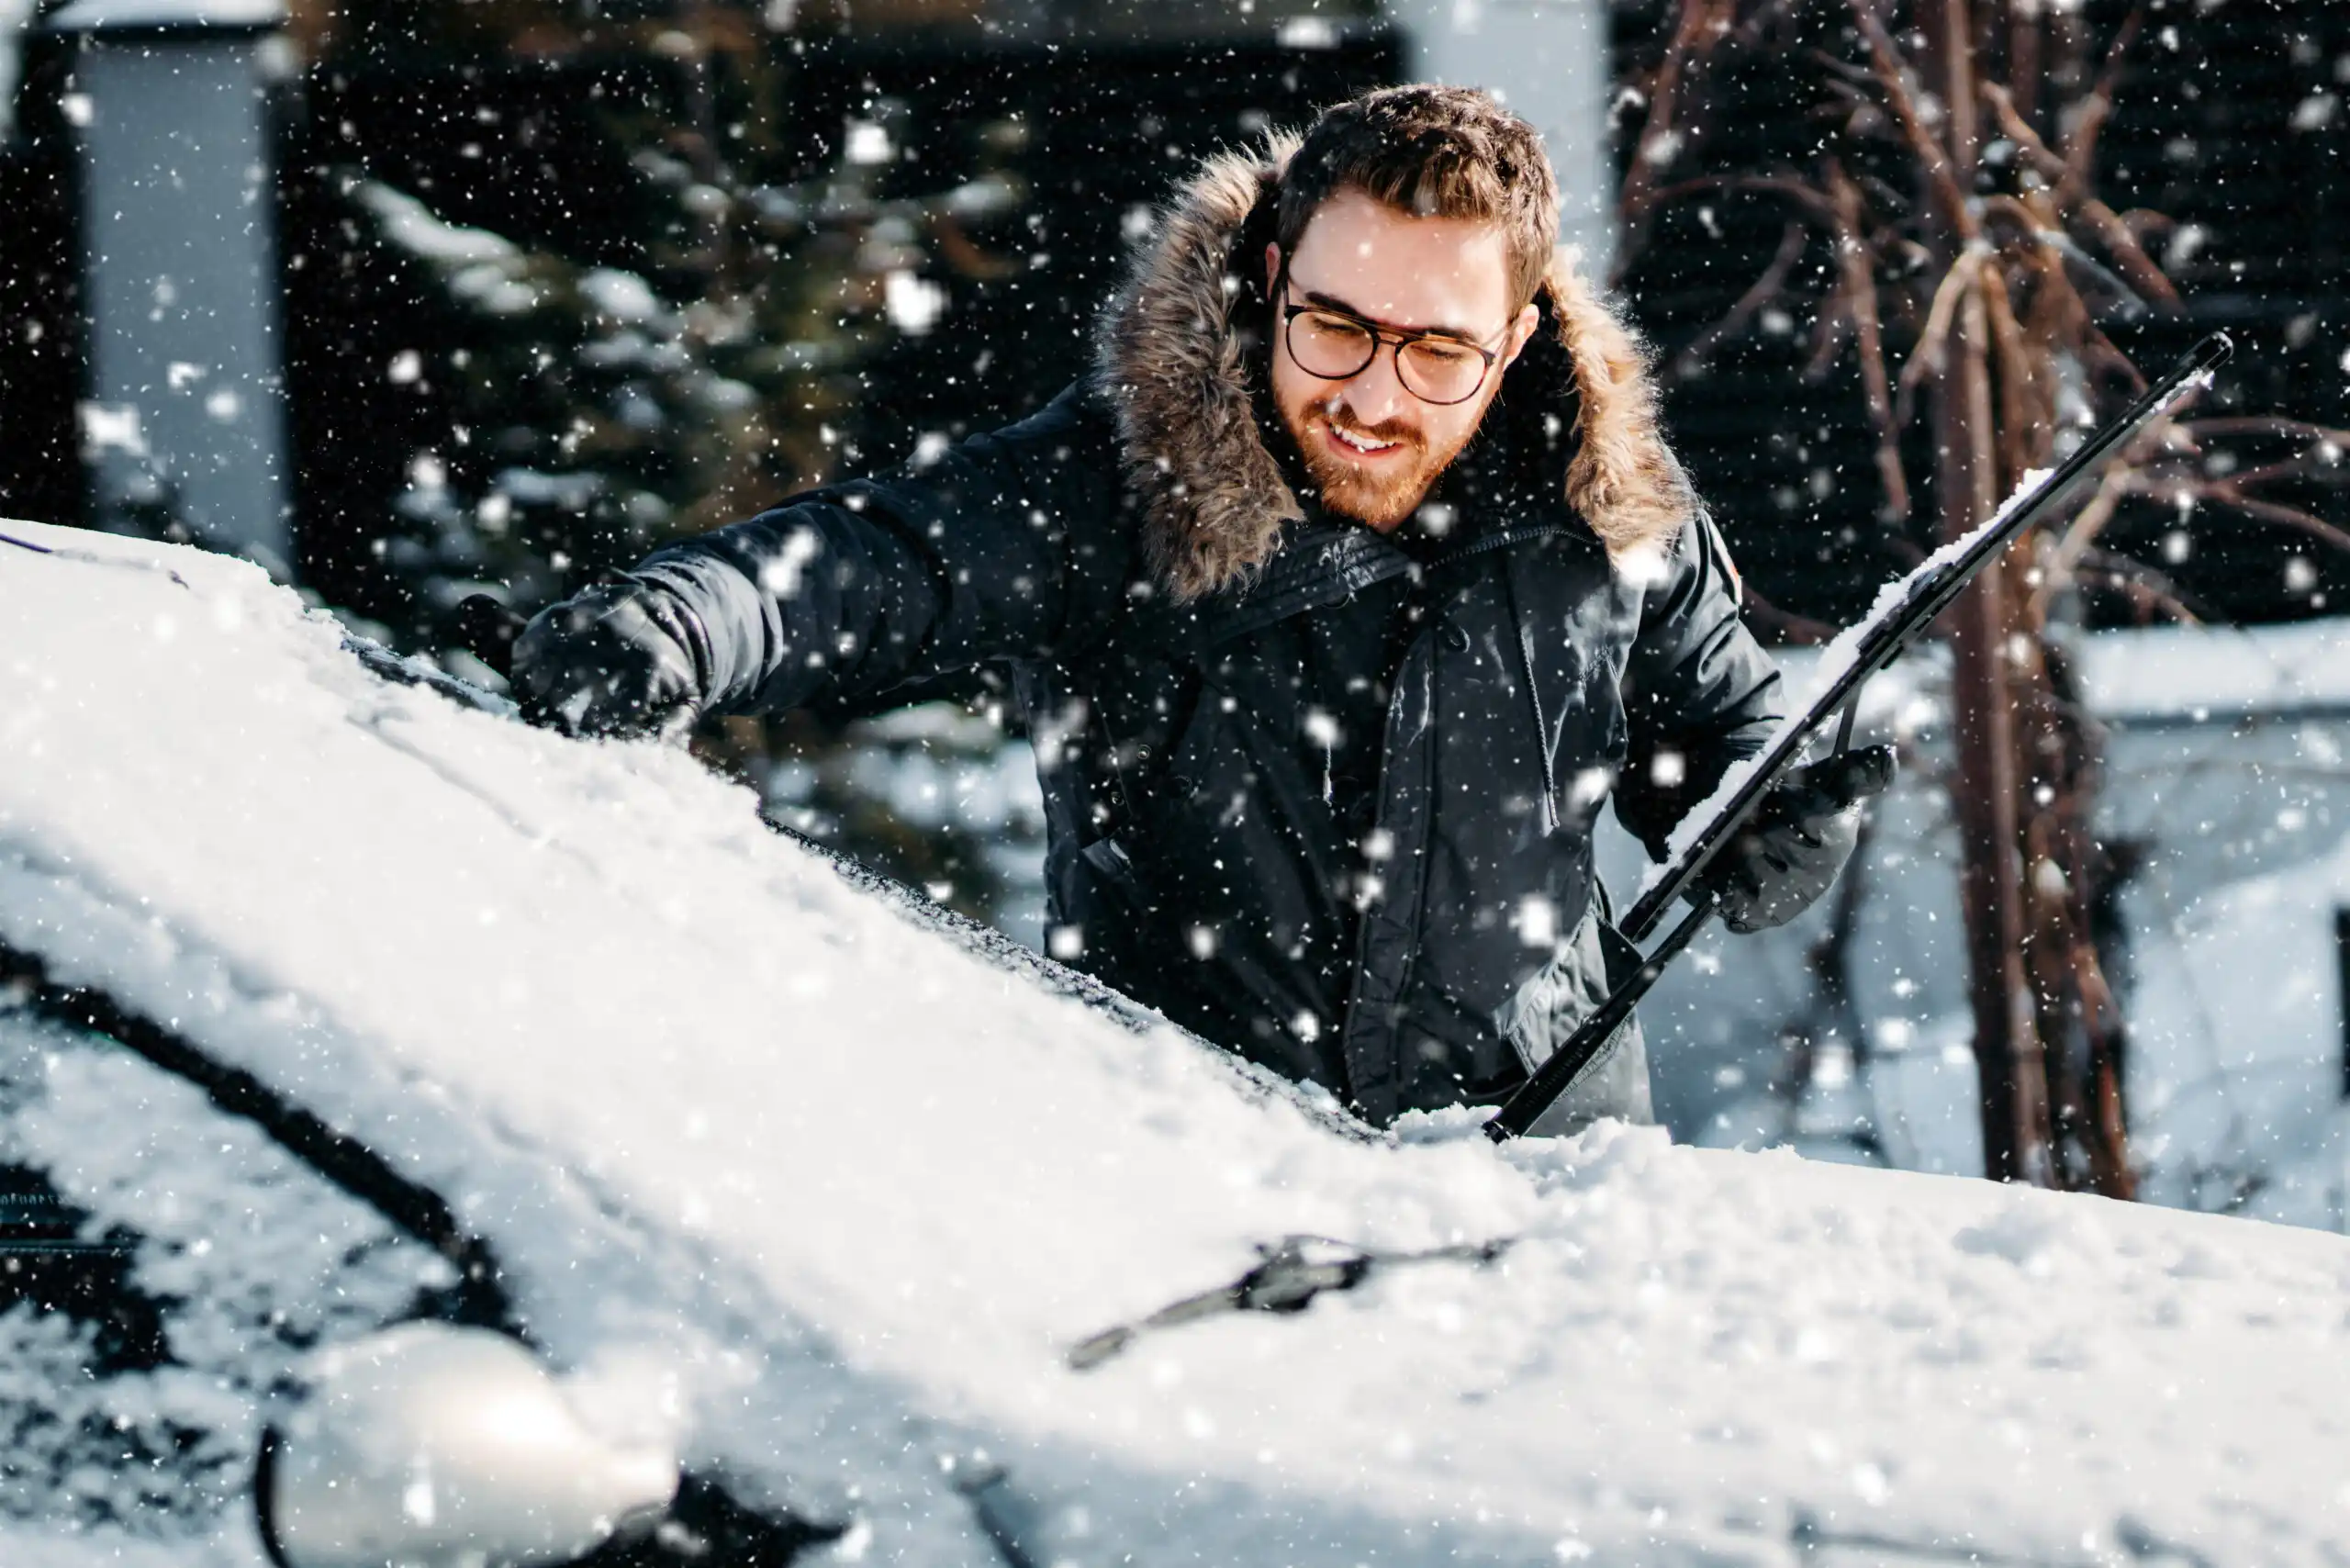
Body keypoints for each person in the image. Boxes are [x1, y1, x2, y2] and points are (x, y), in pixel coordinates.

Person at [510, 85, 1888, 1134]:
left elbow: (1734, 742)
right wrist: (678, 625)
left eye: (1439, 352)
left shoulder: (1613, 516)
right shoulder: (1127, 480)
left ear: (1515, 342)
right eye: (1337, 324)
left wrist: (1781, 819)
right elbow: (879, 560)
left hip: (1548, 1177)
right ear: (1275, 280)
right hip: (1198, 1181)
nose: (1373, 395)